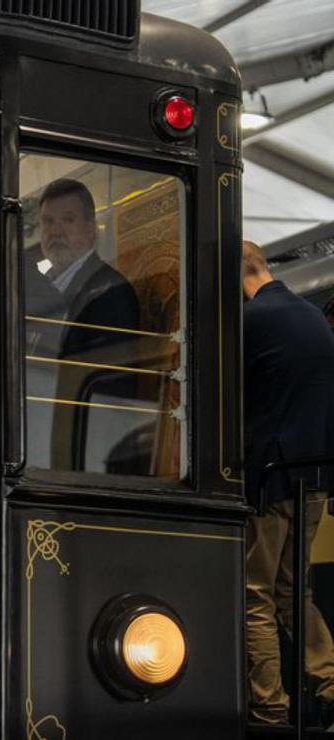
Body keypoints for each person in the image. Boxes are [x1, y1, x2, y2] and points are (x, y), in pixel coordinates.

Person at [242, 239, 334, 726]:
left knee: (253, 592)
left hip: (271, 477)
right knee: (295, 591)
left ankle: (269, 707)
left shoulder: (252, 320)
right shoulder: (312, 316)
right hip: (313, 477)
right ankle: (330, 682)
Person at [32, 178, 139, 359]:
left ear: (91, 228)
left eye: (68, 220)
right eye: (48, 222)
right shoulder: (41, 291)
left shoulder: (110, 292)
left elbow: (106, 373)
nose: (55, 232)